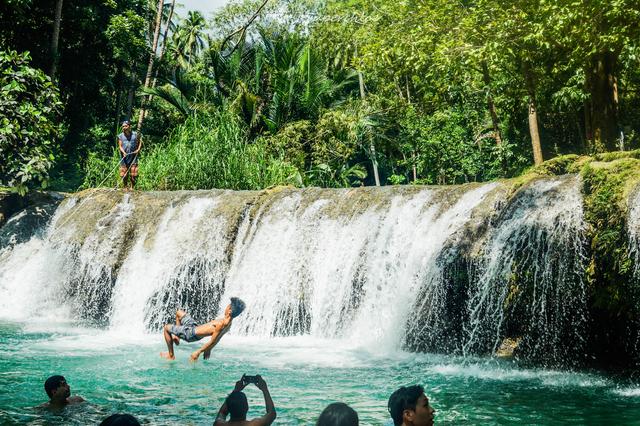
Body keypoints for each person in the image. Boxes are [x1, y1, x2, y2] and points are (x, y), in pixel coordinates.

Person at [160, 297, 246, 362]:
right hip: (193, 327)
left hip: (190, 334)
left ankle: (171, 355)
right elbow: (217, 339)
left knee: (166, 328)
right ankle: (177, 338)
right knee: (179, 313)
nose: (226, 308)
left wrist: (198, 352)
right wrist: (209, 349)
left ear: (230, 310)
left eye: (228, 306)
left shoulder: (221, 324)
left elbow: (213, 340)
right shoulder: (228, 324)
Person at [117, 120, 141, 191]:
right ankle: (125, 187)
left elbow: (140, 142)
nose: (124, 127)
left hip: (133, 156)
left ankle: (132, 187)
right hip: (124, 157)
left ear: (129, 126)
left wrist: (138, 149)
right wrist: (123, 152)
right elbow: (120, 146)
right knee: (124, 173)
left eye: (126, 126)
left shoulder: (135, 134)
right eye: (123, 126)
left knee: (133, 173)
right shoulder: (120, 136)